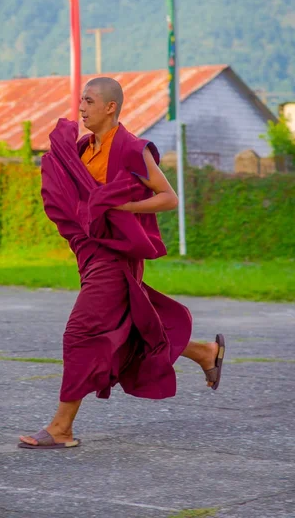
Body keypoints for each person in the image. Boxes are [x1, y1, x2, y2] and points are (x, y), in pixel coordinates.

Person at [19, 77, 225, 450]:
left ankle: (61, 427)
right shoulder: (83, 149)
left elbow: (168, 198)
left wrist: (123, 206)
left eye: (90, 101)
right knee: (127, 328)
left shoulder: (130, 148)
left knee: (81, 334)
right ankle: (203, 351)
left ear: (110, 107)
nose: (81, 107)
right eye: (81, 100)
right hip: (91, 254)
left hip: (115, 257)